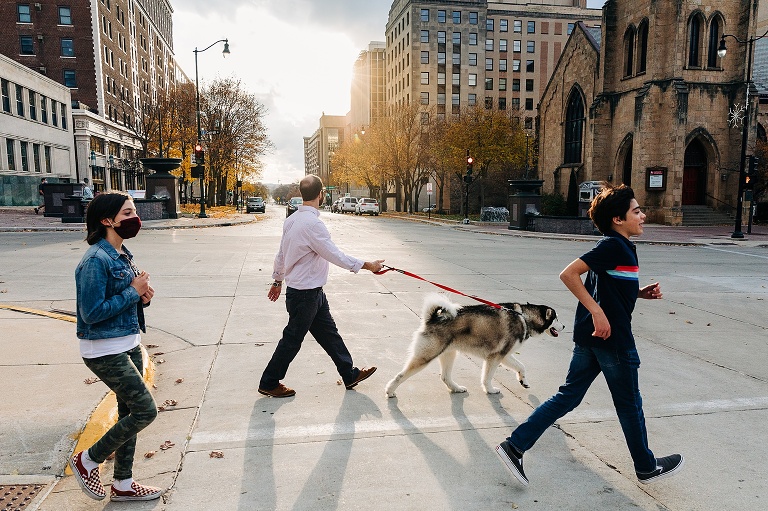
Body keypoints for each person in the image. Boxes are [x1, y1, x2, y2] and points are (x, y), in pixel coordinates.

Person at [496, 184, 684, 486]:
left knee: (568, 396)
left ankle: (514, 446)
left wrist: (638, 293)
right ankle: (646, 466)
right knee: (629, 404)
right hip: (613, 340)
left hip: (591, 338)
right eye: (636, 211)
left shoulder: (619, 247)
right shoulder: (612, 246)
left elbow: (607, 287)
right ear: (618, 220)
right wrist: (597, 312)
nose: (644, 216)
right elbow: (568, 274)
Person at [69, 192, 163, 502]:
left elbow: (124, 300)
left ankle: (123, 484)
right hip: (104, 350)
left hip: (128, 343)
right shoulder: (95, 260)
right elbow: (91, 313)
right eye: (127, 213)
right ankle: (88, 460)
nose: (134, 219)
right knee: (145, 411)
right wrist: (133, 293)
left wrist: (142, 297)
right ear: (107, 220)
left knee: (129, 411)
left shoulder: (123, 254)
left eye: (134, 212)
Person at [259, 175, 384, 398]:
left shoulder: (292, 220)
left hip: (311, 293)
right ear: (321, 194)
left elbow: (281, 255)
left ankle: (349, 373)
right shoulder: (313, 224)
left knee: (329, 335)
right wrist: (368, 265)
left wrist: (278, 280)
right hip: (305, 295)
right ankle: (269, 382)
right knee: (292, 340)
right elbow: (334, 255)